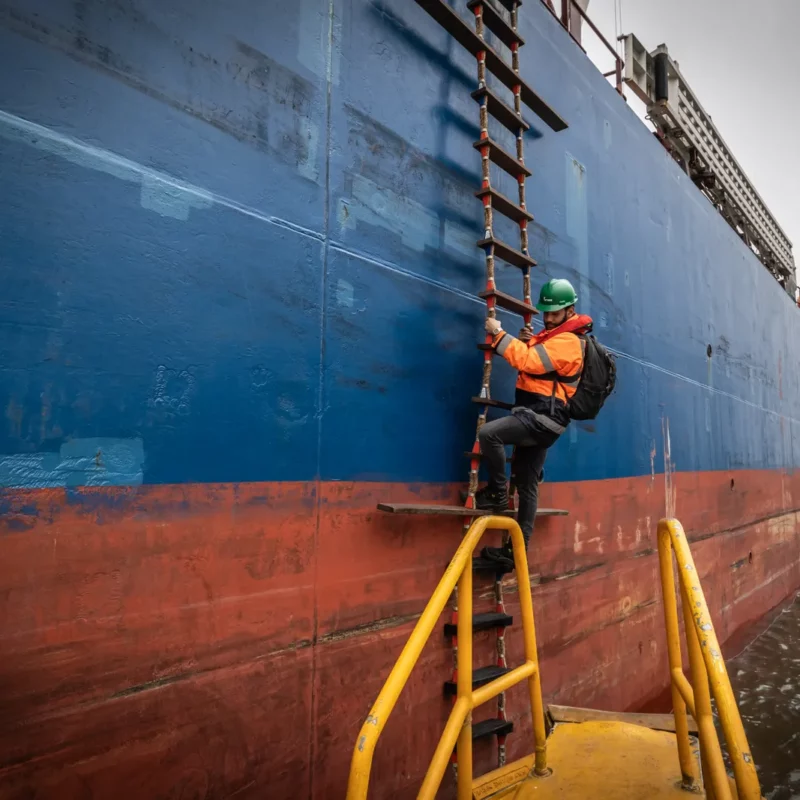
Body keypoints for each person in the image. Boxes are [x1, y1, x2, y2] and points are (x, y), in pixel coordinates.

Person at [475, 278, 593, 568]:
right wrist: (531, 338)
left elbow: (528, 362)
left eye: (555, 313)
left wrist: (499, 334)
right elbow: (542, 362)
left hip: (540, 418)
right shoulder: (559, 336)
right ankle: (516, 553)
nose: (548, 318)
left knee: (489, 434)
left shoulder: (569, 342)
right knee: (527, 484)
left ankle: (497, 494)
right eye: (546, 313)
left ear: (570, 310)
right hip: (543, 418)